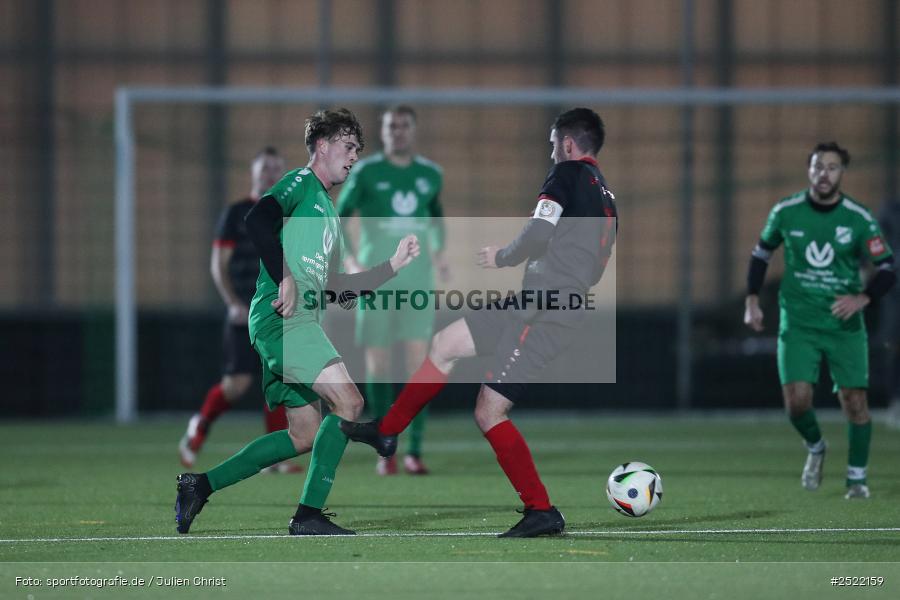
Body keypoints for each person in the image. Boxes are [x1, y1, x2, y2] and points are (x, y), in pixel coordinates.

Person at [342, 107, 618, 538]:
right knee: (446, 342)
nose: (551, 152)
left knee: (490, 412)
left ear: (567, 144)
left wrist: (503, 256)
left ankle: (541, 510)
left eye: (552, 145)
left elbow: (539, 233)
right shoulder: (606, 195)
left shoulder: (566, 175)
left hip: (543, 311)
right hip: (541, 302)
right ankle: (387, 432)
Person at [175, 108, 420, 536]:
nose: (353, 157)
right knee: (350, 402)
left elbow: (337, 287)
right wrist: (286, 275)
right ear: (321, 146)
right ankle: (310, 512)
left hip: (299, 323)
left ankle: (200, 485)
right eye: (348, 147)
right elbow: (258, 219)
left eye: (358, 150)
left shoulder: (328, 214)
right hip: (281, 321)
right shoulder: (300, 182)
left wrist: (392, 266)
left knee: (303, 435)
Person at [743, 142, 896, 499]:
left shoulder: (858, 218)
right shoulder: (786, 211)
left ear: (842, 173)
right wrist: (752, 299)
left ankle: (857, 479)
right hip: (799, 322)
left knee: (854, 402)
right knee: (796, 403)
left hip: (843, 326)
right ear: (808, 171)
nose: (823, 174)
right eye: (817, 167)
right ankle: (815, 447)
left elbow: (888, 267)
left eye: (831, 167)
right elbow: (760, 255)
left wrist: (864, 297)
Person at [337, 105, 448, 476]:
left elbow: (436, 216)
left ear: (412, 130)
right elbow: (338, 218)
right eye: (390, 126)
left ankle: (414, 450)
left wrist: (440, 253)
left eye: (403, 126)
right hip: (377, 283)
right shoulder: (366, 172)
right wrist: (351, 263)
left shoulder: (430, 174)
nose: (396, 132)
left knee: (418, 366)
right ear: (382, 132)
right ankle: (386, 450)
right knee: (379, 366)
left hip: (417, 283)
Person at [178, 147, 301, 475]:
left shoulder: (289, 214)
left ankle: (275, 458)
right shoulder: (236, 213)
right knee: (237, 384)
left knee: (277, 377)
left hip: (277, 309)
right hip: (244, 310)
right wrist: (233, 303)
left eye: (276, 169)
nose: (270, 174)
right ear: (253, 172)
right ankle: (199, 426)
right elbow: (219, 265)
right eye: (265, 169)